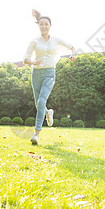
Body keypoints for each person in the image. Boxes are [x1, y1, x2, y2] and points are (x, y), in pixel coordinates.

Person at [24, 9, 76, 145]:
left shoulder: (56, 40)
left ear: (50, 26)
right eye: (41, 24)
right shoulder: (34, 41)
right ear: (39, 26)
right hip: (36, 74)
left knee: (41, 102)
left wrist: (73, 55)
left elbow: (72, 47)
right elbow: (25, 59)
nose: (44, 26)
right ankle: (48, 113)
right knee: (38, 104)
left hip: (49, 74)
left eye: (46, 24)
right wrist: (33, 62)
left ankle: (36, 134)